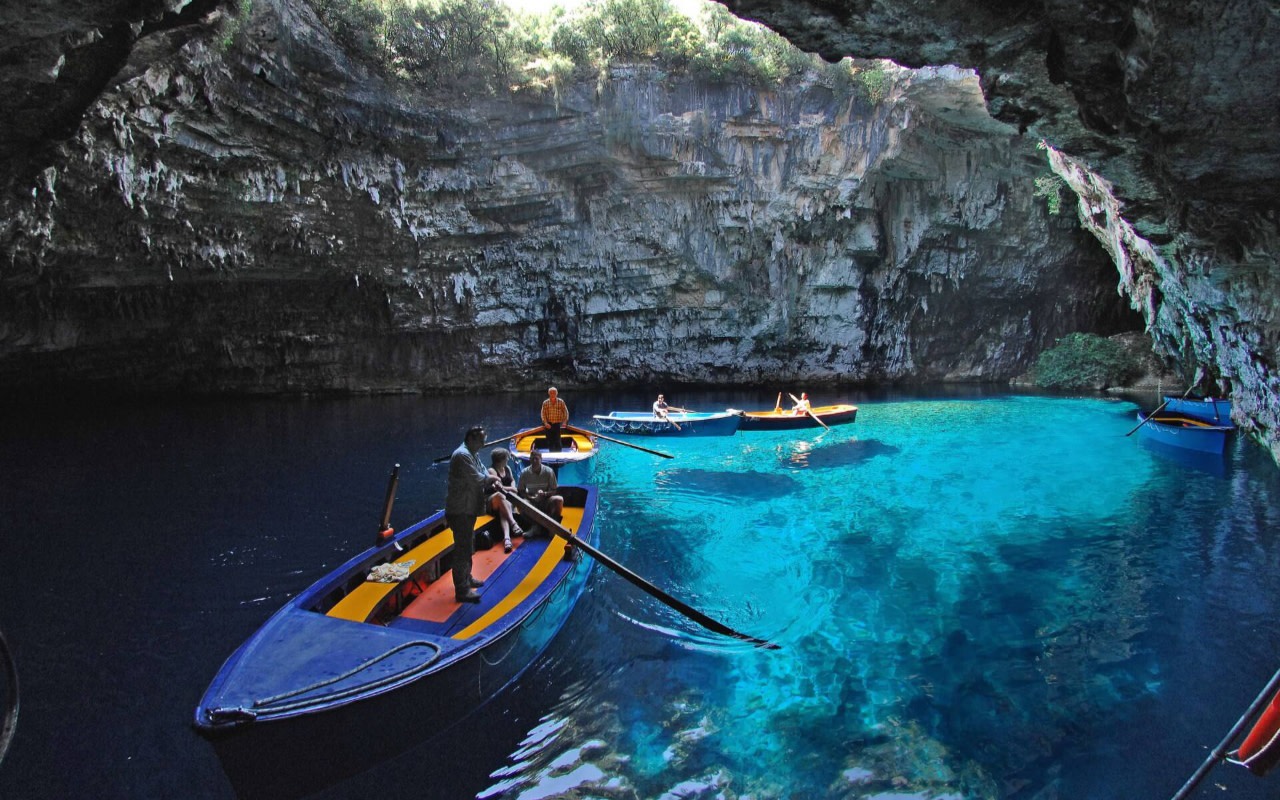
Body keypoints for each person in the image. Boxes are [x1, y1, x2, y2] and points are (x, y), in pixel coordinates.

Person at [445, 426, 500, 603]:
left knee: (468, 545)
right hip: (460, 509)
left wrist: (491, 477)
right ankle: (461, 590)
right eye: (481, 441)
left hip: (468, 508)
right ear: (471, 439)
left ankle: (467, 577)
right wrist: (492, 479)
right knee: (462, 549)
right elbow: (477, 478)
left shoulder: (472, 453)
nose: (483, 445)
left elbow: (483, 470)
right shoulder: (462, 455)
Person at [516, 449, 564, 537]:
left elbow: (554, 490)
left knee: (559, 499)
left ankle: (553, 524)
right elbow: (521, 490)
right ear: (530, 460)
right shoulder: (524, 473)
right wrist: (530, 497)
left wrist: (545, 494)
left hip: (546, 499)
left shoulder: (549, 471)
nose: (534, 461)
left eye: (536, 459)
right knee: (521, 504)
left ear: (541, 459)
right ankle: (535, 526)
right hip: (532, 500)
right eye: (532, 459)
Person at [486, 448, 524, 553]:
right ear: (500, 459)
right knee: (500, 496)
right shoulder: (492, 470)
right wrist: (511, 489)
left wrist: (512, 487)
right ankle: (513, 523)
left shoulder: (507, 468)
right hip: (493, 500)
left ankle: (507, 538)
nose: (507, 460)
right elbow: (498, 487)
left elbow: (512, 480)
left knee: (504, 507)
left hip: (506, 500)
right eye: (506, 458)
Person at [541, 386, 569, 452]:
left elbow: (566, 412)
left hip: (557, 424)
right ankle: (551, 455)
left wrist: (565, 421)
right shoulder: (545, 403)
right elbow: (543, 414)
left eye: (554, 392)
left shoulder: (561, 401)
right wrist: (545, 423)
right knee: (550, 441)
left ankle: (559, 455)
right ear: (549, 393)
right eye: (551, 392)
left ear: (557, 393)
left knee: (557, 441)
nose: (553, 394)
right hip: (548, 424)